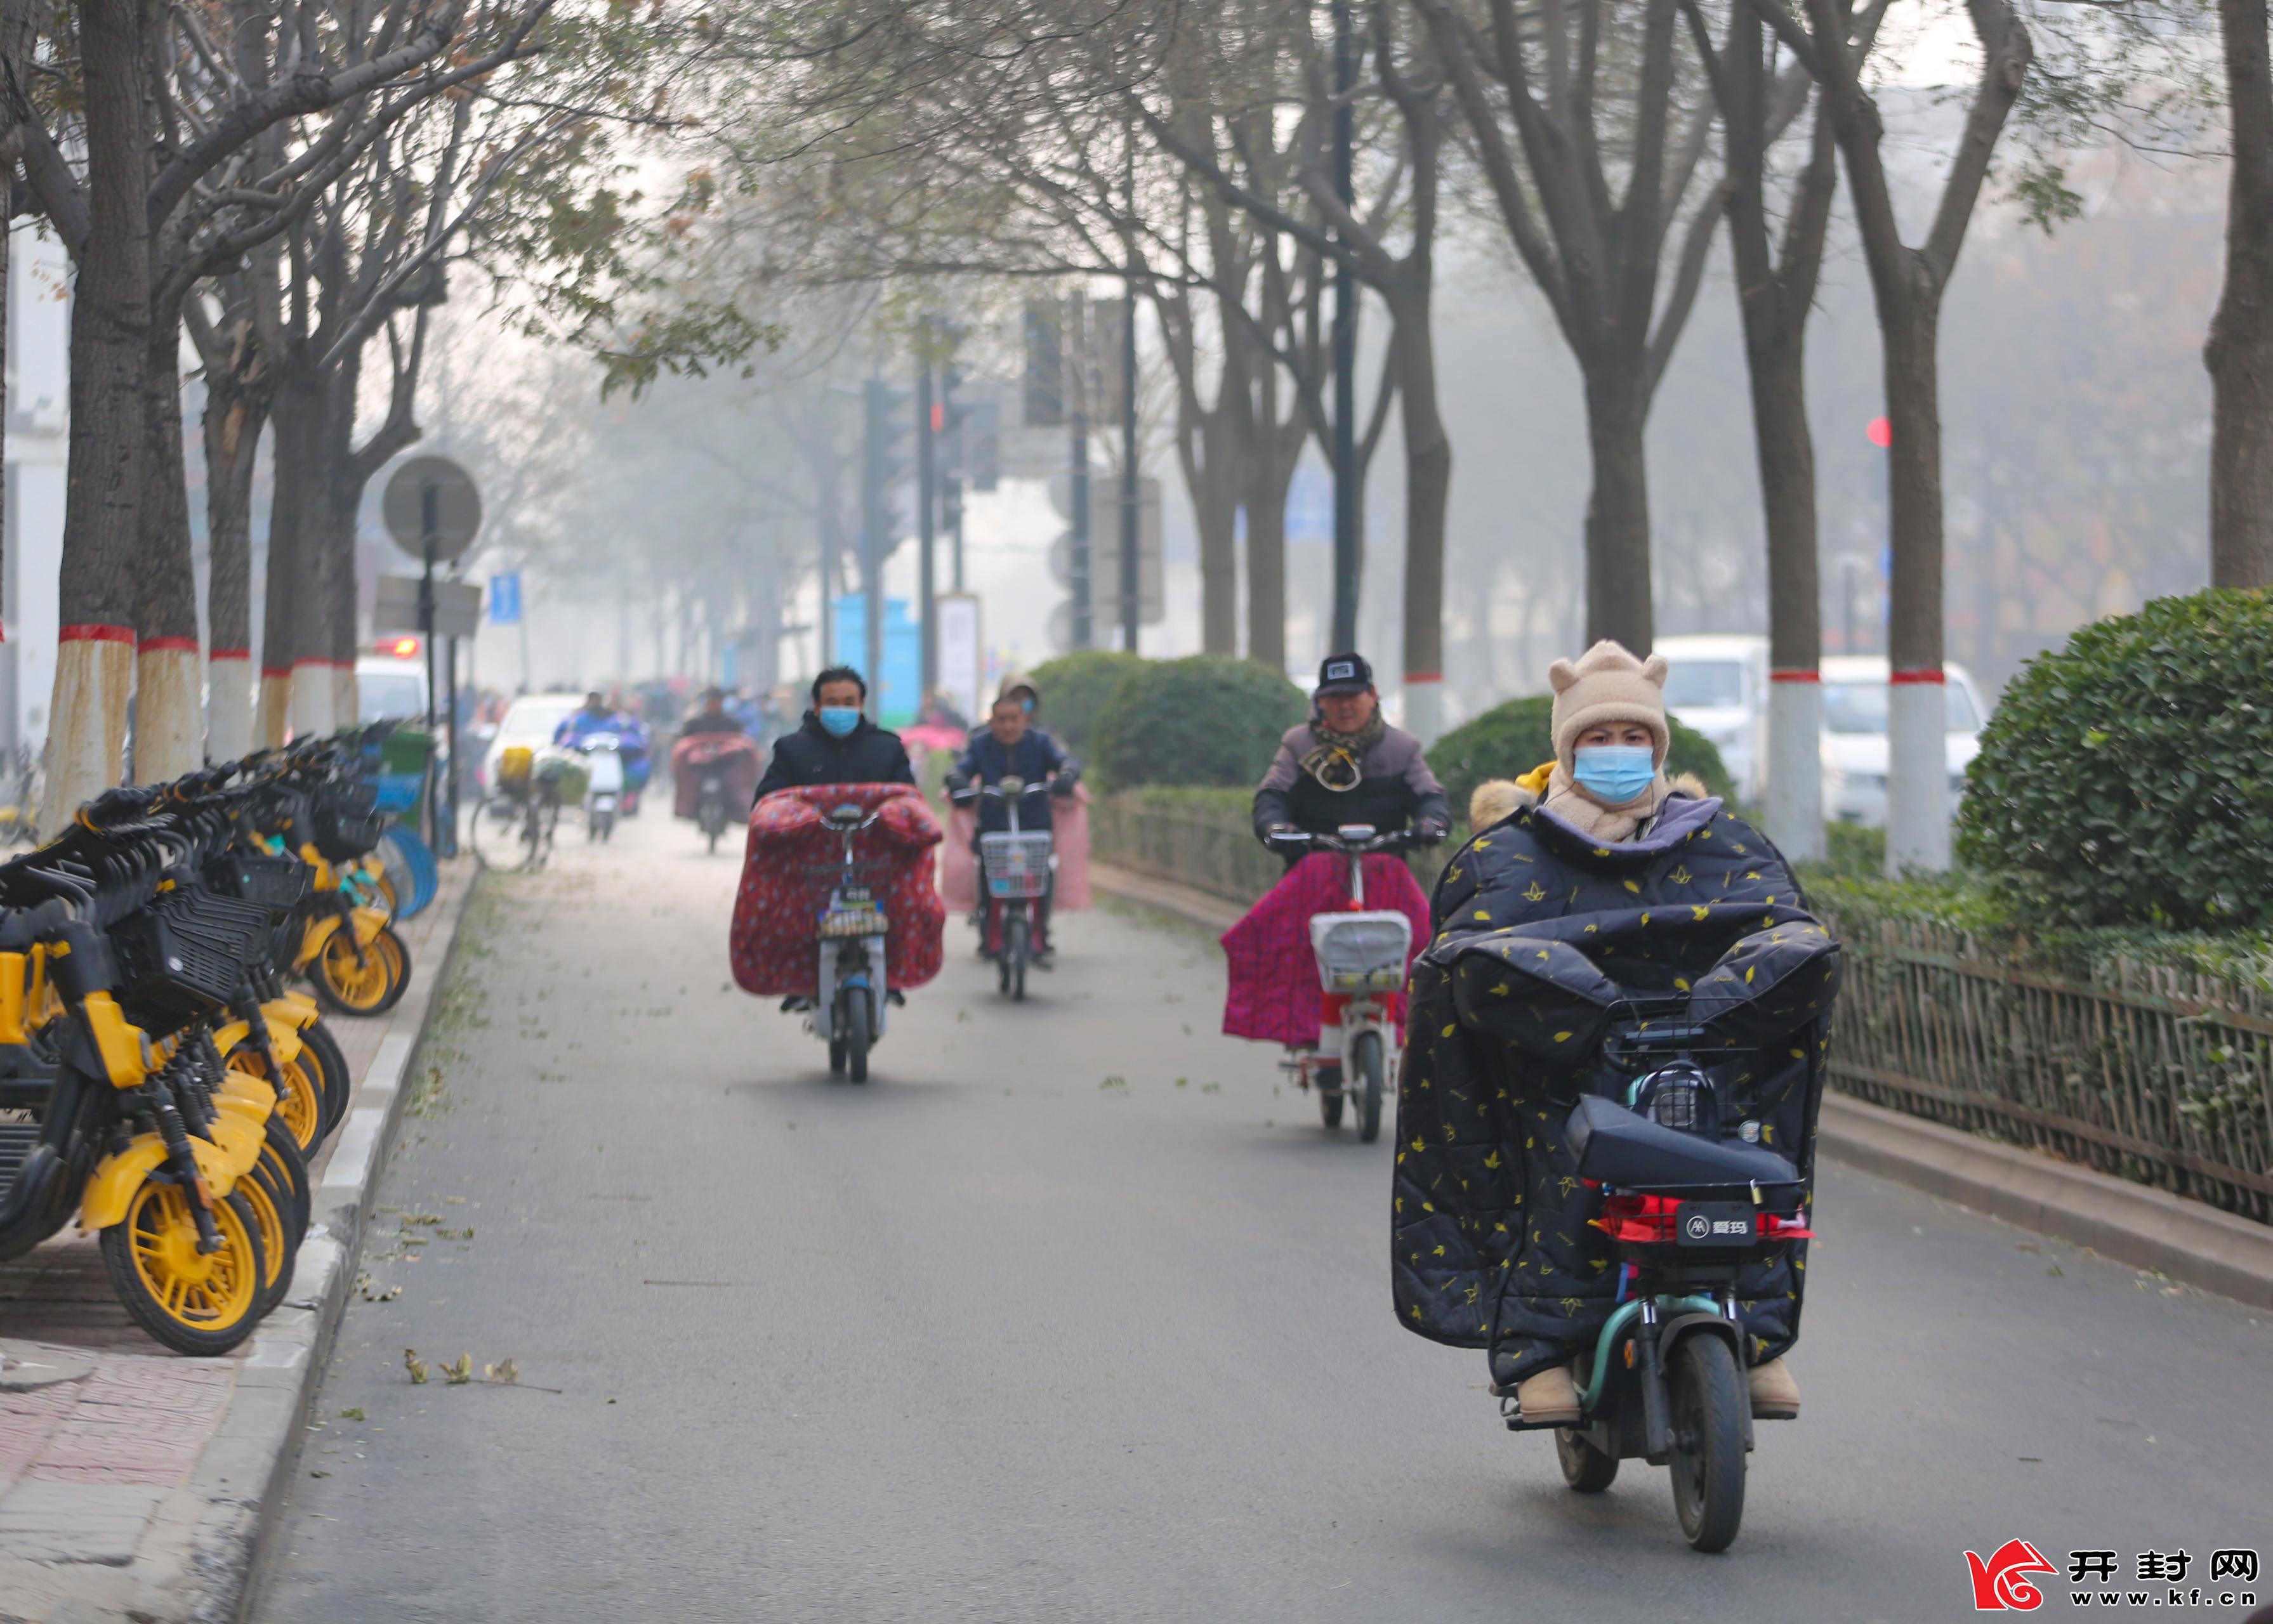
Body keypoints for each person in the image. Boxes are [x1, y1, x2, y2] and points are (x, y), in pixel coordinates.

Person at [1393, 639, 1814, 1428]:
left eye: (1634, 738)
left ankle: (1755, 1337)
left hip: (1700, 1056)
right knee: (1555, 1159)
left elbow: (1779, 919)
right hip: (1564, 1064)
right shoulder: (1514, 850)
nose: (1617, 753)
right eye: (1597, 737)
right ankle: (1541, 1352)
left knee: (1752, 1156)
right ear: (1565, 746)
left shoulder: (1720, 840)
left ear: (1657, 746)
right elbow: (1472, 949)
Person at [1253, 653, 1450, 859]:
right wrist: (1273, 825)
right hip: (1312, 866)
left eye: (1353, 696)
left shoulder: (1402, 748)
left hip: (1387, 869)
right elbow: (1272, 795)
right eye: (1336, 698)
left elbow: (1430, 796)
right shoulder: (1298, 745)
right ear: (1320, 701)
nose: (1345, 706)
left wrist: (1432, 822)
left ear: (1372, 695)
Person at [946, 694, 1079, 961]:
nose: (1008, 726)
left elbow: (1066, 762)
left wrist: (1066, 775)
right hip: (994, 823)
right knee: (987, 870)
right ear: (991, 721)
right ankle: (989, 928)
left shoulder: (1040, 743)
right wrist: (958, 781)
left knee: (1043, 873)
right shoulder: (981, 745)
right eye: (1001, 720)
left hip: (1034, 823)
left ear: (1025, 720)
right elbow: (961, 770)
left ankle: (1040, 931)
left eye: (1014, 719)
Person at [753, 667, 916, 798]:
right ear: (817, 706)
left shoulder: (888, 749)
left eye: (849, 703)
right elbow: (768, 804)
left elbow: (908, 804)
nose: (841, 709)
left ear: (861, 704)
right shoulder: (791, 750)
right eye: (833, 703)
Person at [678, 687, 747, 737]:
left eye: (716, 703)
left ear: (721, 703)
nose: (713, 706)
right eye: (710, 703)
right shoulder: (693, 725)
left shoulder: (732, 725)